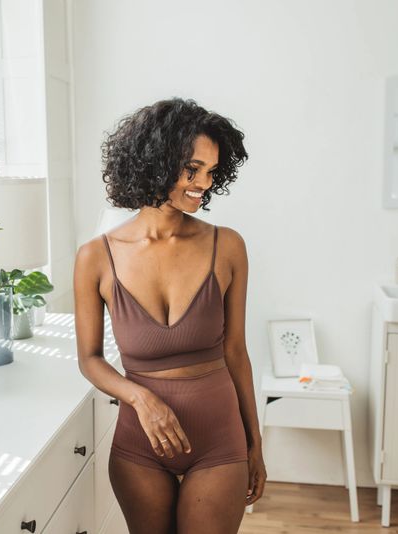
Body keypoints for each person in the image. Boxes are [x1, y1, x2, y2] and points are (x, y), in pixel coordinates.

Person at [73, 97, 266, 533]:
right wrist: (141, 399)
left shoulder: (228, 246)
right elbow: (89, 358)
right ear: (155, 164)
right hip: (140, 446)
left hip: (219, 440)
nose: (204, 184)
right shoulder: (95, 258)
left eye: (212, 172)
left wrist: (255, 441)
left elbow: (236, 351)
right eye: (192, 169)